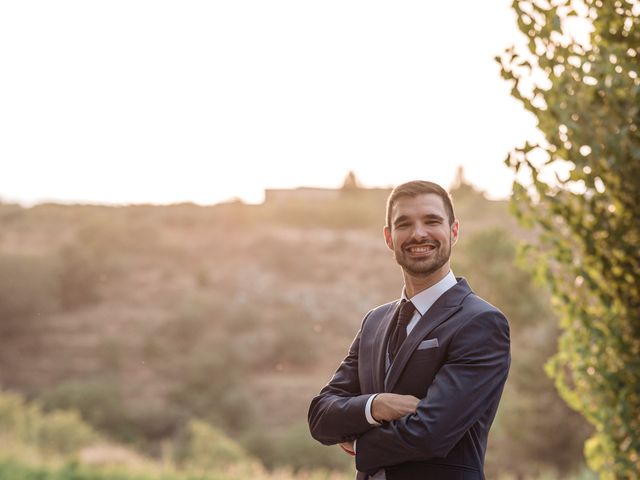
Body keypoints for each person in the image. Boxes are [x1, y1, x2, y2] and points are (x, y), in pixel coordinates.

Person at [308, 180, 510, 480]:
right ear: (389, 238)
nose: (418, 233)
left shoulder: (480, 322)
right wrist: (375, 405)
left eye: (432, 221)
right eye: (404, 224)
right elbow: (321, 416)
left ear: (453, 231)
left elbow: (431, 433)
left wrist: (359, 444)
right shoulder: (374, 322)